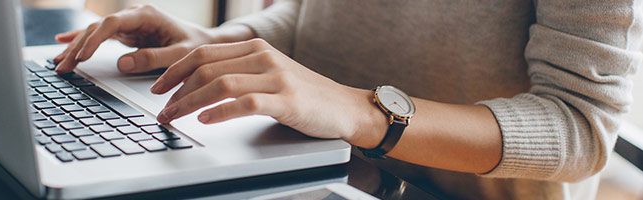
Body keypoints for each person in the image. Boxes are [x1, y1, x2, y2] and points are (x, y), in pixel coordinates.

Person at [52, 1, 641, 199]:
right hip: (314, 171)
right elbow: (311, 17)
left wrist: (366, 112)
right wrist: (212, 45)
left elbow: (581, 127)